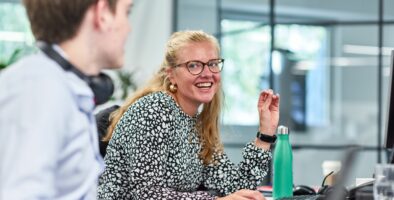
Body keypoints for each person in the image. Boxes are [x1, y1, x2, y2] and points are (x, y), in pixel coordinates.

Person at [98, 30, 280, 200]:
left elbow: (235, 187)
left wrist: (265, 134)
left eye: (213, 64)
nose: (207, 73)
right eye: (194, 65)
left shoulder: (197, 124)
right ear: (171, 75)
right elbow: (147, 194)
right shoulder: (154, 109)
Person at [0, 0, 133, 199]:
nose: (128, 28)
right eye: (126, 12)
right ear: (102, 13)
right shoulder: (40, 87)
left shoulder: (65, 87)